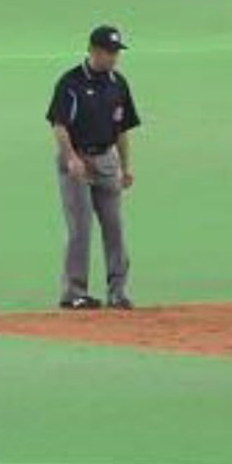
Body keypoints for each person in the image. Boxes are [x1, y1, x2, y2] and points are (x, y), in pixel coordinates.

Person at [46, 25, 140, 310]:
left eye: (116, 52)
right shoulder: (71, 82)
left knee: (114, 227)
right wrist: (71, 158)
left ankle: (118, 292)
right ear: (93, 51)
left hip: (107, 160)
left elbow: (122, 129)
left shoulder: (118, 84)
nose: (113, 57)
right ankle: (74, 292)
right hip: (77, 161)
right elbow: (59, 125)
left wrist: (125, 167)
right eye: (109, 52)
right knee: (80, 228)